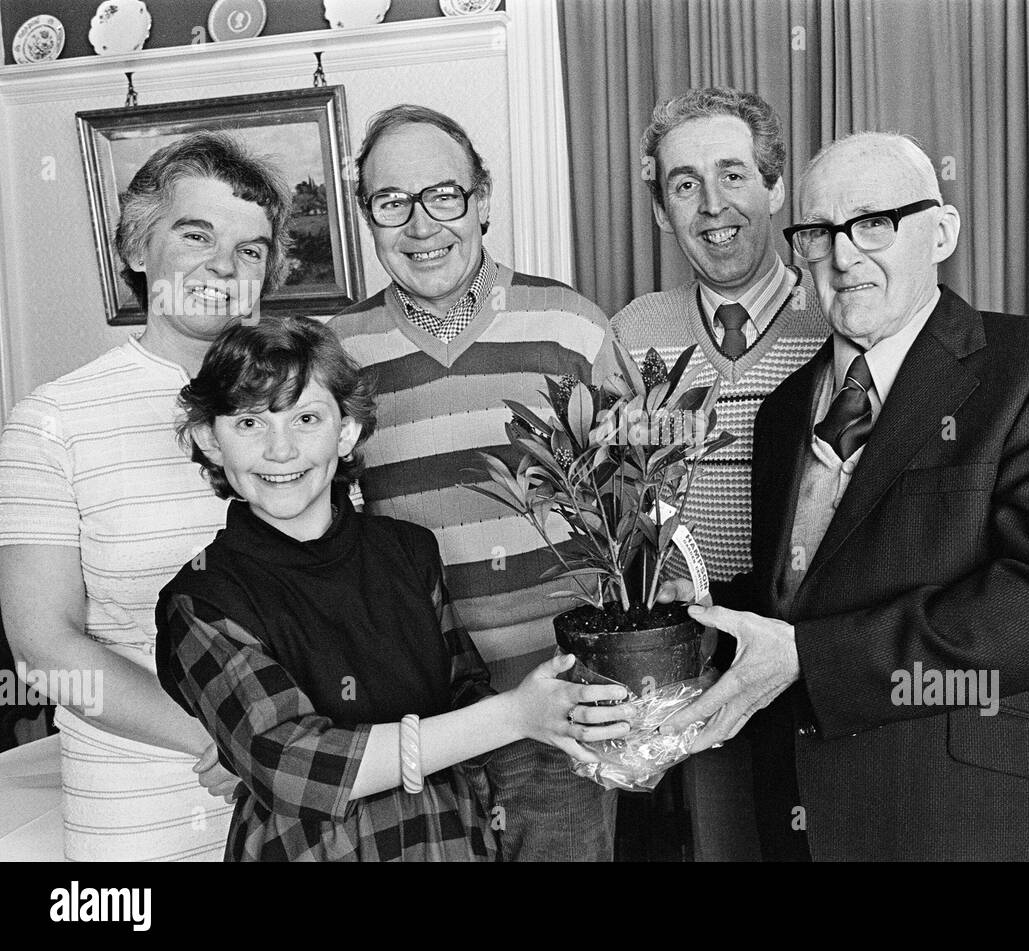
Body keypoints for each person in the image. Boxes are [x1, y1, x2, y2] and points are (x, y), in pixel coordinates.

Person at [659, 131, 1029, 861]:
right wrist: (678, 627)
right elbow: (811, 591)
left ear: (940, 232)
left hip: (978, 823)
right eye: (818, 232)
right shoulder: (784, 408)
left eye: (875, 222)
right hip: (807, 817)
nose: (844, 256)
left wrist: (813, 658)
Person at [153, 316, 631, 861]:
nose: (280, 450)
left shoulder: (409, 551)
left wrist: (560, 713)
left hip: (448, 841)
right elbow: (292, 765)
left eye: (306, 417)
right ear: (208, 441)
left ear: (348, 431)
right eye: (248, 424)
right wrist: (513, 714)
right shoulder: (202, 598)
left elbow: (464, 689)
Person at [328, 105, 620, 861]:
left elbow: (631, 520)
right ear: (369, 217)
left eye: (444, 196)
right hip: (418, 726)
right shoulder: (334, 354)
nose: (421, 225)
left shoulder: (573, 327)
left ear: (482, 200)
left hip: (561, 709)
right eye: (392, 202)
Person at [0, 131, 292, 861]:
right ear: (137, 249)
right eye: (197, 233)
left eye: (250, 248)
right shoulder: (55, 418)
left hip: (306, 795)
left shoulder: (305, 406)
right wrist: (219, 737)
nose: (224, 264)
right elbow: (44, 645)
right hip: (138, 814)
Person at [611, 87, 825, 862]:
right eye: (685, 184)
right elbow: (616, 500)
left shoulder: (836, 322)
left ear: (774, 187)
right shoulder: (634, 332)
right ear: (664, 213)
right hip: (688, 648)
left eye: (734, 175)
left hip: (812, 643)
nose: (712, 206)